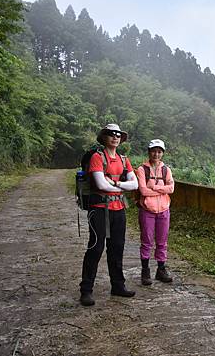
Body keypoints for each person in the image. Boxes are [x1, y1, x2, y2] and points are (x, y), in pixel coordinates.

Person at [79, 123, 139, 306]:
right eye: (111, 134)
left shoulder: (123, 159)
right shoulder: (98, 157)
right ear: (104, 137)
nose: (115, 137)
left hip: (118, 208)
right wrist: (121, 185)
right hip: (98, 208)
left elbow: (134, 184)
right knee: (95, 248)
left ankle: (118, 286)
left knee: (117, 248)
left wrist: (116, 184)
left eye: (118, 135)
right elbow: (100, 184)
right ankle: (86, 290)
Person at [135, 139, 175, 285]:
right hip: (147, 210)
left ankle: (161, 269)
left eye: (159, 151)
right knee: (146, 242)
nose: (156, 154)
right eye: (153, 151)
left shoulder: (166, 170)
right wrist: (161, 189)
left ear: (162, 153)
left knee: (162, 242)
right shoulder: (142, 169)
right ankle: (145, 271)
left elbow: (171, 189)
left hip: (164, 210)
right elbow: (143, 191)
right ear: (149, 152)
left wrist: (155, 187)